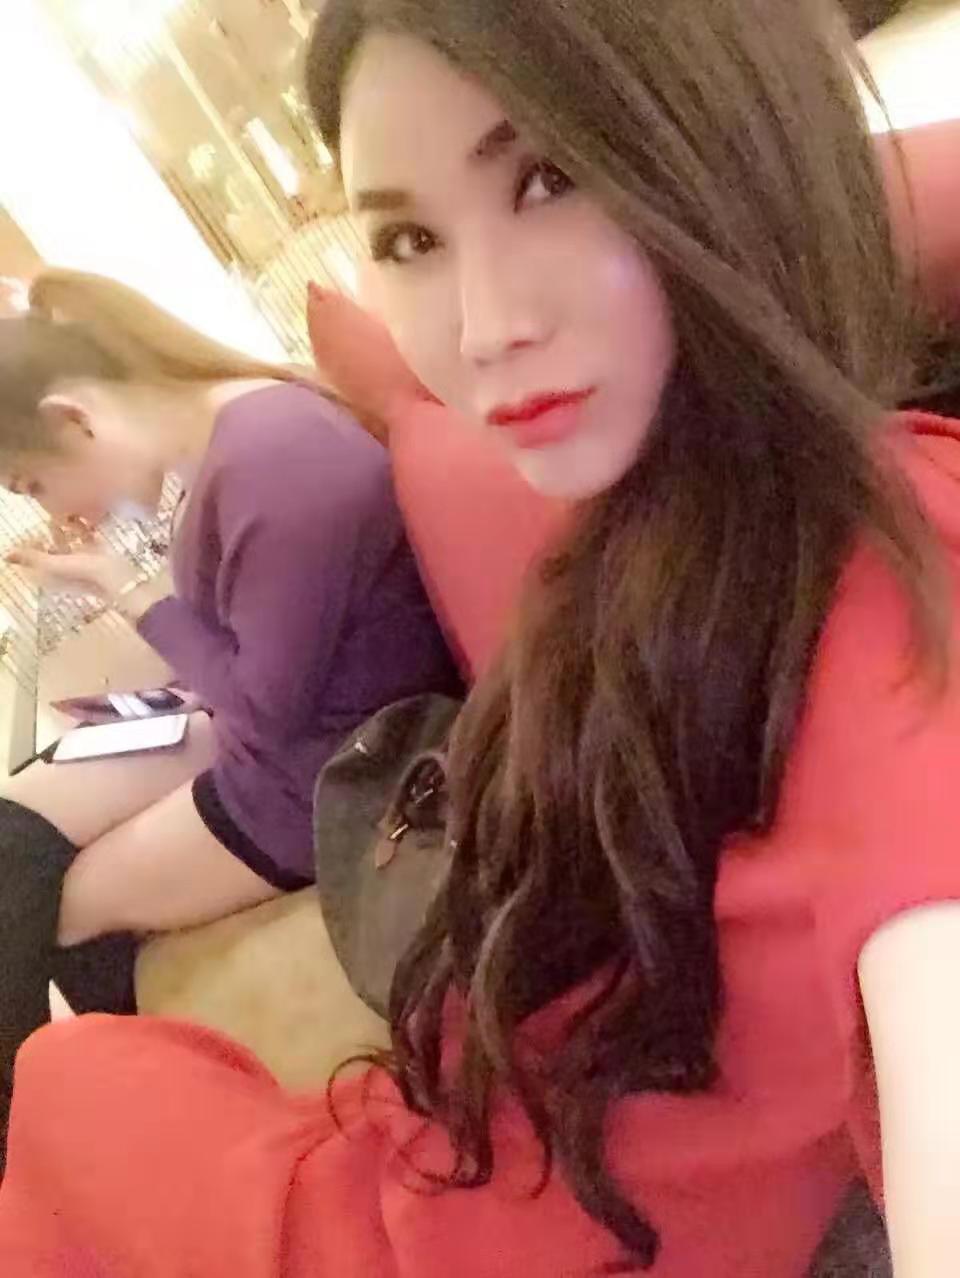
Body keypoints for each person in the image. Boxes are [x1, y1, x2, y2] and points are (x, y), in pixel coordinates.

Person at [0, 0, 954, 1272]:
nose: (482, 324)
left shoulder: (890, 577)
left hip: (479, 1209)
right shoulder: (647, 513)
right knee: (81, 1061)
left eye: (548, 179)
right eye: (410, 239)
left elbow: (917, 842)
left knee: (69, 1061)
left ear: (727, 140)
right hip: (474, 1145)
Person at [0, 268, 460, 1166]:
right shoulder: (232, 441)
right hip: (270, 725)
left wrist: (129, 593)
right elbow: (250, 656)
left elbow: (267, 710)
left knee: (42, 904)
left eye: (36, 483)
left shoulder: (277, 467)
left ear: (75, 420)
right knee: (15, 829)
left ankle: (96, 1151)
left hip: (324, 774)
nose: (57, 511)